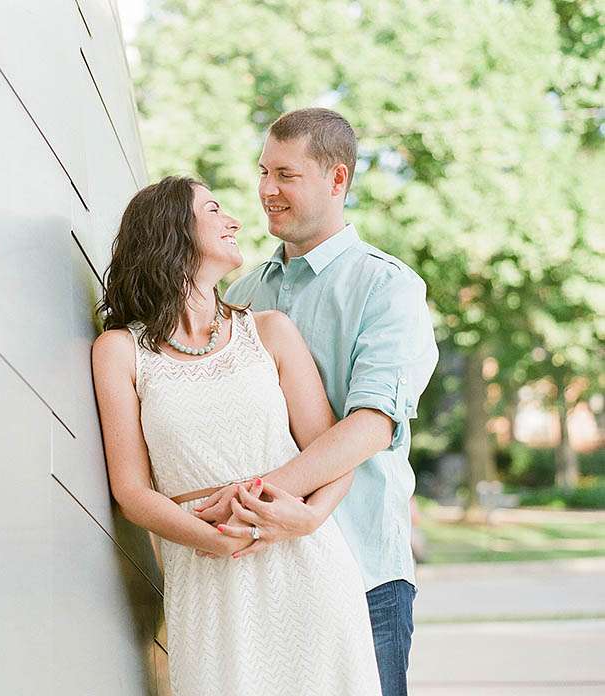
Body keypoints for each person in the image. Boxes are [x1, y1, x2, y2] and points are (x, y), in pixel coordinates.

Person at [92, 176, 381, 695]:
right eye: (213, 209)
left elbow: (332, 452)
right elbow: (131, 491)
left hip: (305, 564)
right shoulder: (119, 352)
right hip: (206, 575)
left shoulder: (270, 331)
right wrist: (213, 539)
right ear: (171, 232)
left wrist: (308, 516)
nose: (234, 221)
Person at [216, 107, 439, 696]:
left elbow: (370, 426)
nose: (266, 190)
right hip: (262, 569)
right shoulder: (240, 294)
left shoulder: (389, 287)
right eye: (264, 172)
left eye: (286, 175)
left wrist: (257, 498)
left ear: (337, 180)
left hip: (362, 568)